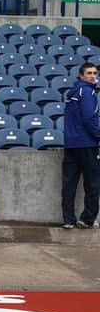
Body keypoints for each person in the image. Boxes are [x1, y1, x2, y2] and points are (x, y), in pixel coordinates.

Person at [61, 62, 100, 229]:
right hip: (86, 144)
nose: (93, 76)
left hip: (71, 144)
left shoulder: (74, 92)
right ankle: (87, 219)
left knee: (69, 183)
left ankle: (68, 219)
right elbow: (89, 118)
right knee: (92, 183)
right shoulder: (87, 91)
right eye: (89, 73)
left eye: (95, 73)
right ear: (81, 75)